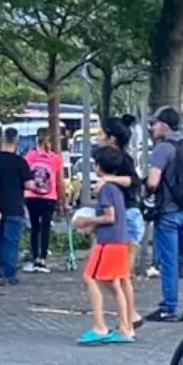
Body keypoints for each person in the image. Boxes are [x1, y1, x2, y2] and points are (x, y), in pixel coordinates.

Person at [145, 106, 183, 322]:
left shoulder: (163, 149)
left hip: (169, 213)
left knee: (169, 261)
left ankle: (169, 307)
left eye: (154, 123)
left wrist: (149, 188)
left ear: (165, 125)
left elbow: (153, 182)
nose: (152, 127)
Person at [73, 146, 136, 345]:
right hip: (120, 241)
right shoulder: (116, 189)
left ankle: (100, 326)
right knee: (115, 282)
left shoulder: (106, 189)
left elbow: (109, 217)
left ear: (99, 166)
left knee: (90, 278)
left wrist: (88, 222)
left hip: (108, 242)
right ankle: (126, 327)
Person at [92, 115, 145, 331]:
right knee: (117, 276)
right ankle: (129, 316)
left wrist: (108, 180)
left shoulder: (122, 159)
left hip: (128, 218)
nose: (98, 136)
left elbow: (134, 181)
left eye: (101, 133)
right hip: (125, 217)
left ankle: (130, 318)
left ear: (112, 138)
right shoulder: (111, 158)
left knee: (120, 276)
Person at [0, 127, 33, 285]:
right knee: (11, 241)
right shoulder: (20, 162)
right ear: (17, 141)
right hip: (15, 205)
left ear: (2, 140)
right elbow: (29, 184)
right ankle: (9, 274)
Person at [24, 127, 65, 272]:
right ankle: (42, 258)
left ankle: (36, 256)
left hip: (32, 195)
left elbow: (26, 174)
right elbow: (60, 181)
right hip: (49, 196)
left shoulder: (30, 155)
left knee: (35, 226)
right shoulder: (55, 158)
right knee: (45, 226)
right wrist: (63, 200)